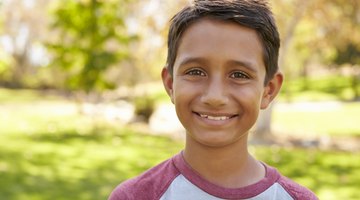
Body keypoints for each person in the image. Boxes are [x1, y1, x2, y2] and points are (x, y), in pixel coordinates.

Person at [109, 0, 318, 199]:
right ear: (171, 84)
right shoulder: (135, 196)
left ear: (268, 90)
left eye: (239, 75)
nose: (214, 97)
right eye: (196, 72)